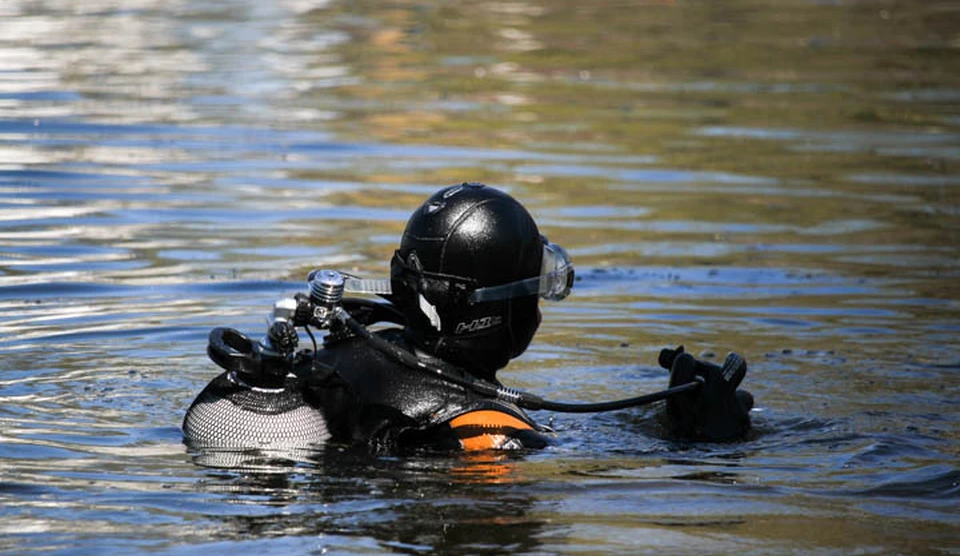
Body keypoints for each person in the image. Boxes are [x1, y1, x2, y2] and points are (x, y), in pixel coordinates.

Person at [183, 183, 752, 454]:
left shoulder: (362, 348)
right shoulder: (484, 425)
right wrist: (705, 440)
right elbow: (518, 481)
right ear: (496, 310)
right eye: (534, 290)